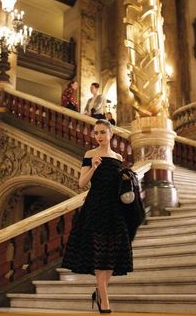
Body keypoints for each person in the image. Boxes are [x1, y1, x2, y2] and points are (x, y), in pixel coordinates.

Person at [62, 119, 133, 313]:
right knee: (99, 255)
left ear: (111, 134)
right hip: (95, 208)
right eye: (96, 133)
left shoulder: (118, 157)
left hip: (115, 209)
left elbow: (118, 185)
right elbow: (81, 183)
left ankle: (99, 292)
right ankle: (105, 302)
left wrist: (125, 178)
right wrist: (93, 167)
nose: (99, 136)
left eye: (103, 132)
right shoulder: (89, 154)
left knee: (113, 254)